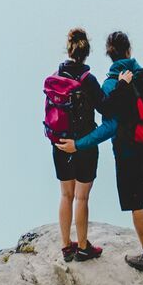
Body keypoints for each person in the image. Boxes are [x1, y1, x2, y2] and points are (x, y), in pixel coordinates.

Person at [66, 29, 143, 274]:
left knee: (136, 204)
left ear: (109, 54)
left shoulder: (111, 84)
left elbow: (109, 126)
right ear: (129, 50)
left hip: (127, 153)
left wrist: (80, 144)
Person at [42, 28, 102, 263]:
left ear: (68, 49)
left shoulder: (56, 77)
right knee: (82, 198)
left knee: (65, 195)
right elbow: (105, 107)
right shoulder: (89, 81)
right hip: (83, 145)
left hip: (59, 143)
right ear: (87, 53)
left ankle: (66, 246)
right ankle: (84, 247)